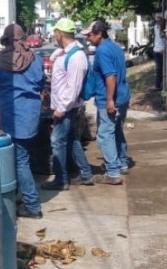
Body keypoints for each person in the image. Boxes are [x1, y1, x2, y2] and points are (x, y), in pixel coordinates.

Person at [0, 23, 46, 218]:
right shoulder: (35, 59)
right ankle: (19, 193)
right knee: (22, 156)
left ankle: (32, 205)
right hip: (31, 116)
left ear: (6, 40)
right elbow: (42, 82)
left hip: (11, 117)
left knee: (19, 160)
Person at [42, 18, 94, 191]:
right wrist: (58, 53)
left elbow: (74, 87)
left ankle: (61, 179)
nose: (54, 35)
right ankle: (86, 173)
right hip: (64, 106)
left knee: (57, 141)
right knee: (71, 139)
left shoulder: (77, 57)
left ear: (60, 33)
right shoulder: (67, 53)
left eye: (55, 32)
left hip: (67, 107)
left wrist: (61, 109)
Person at [84, 20, 131, 185]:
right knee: (116, 131)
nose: (88, 38)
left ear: (99, 34)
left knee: (104, 135)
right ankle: (122, 162)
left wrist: (110, 100)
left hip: (110, 99)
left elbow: (110, 76)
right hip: (123, 97)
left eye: (89, 35)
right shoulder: (115, 47)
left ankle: (112, 172)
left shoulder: (102, 51)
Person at [152, 15, 165, 91]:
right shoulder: (157, 28)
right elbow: (162, 35)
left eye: (159, 21)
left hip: (159, 50)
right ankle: (158, 85)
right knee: (159, 69)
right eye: (157, 21)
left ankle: (158, 85)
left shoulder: (157, 27)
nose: (158, 23)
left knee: (159, 69)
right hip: (158, 50)